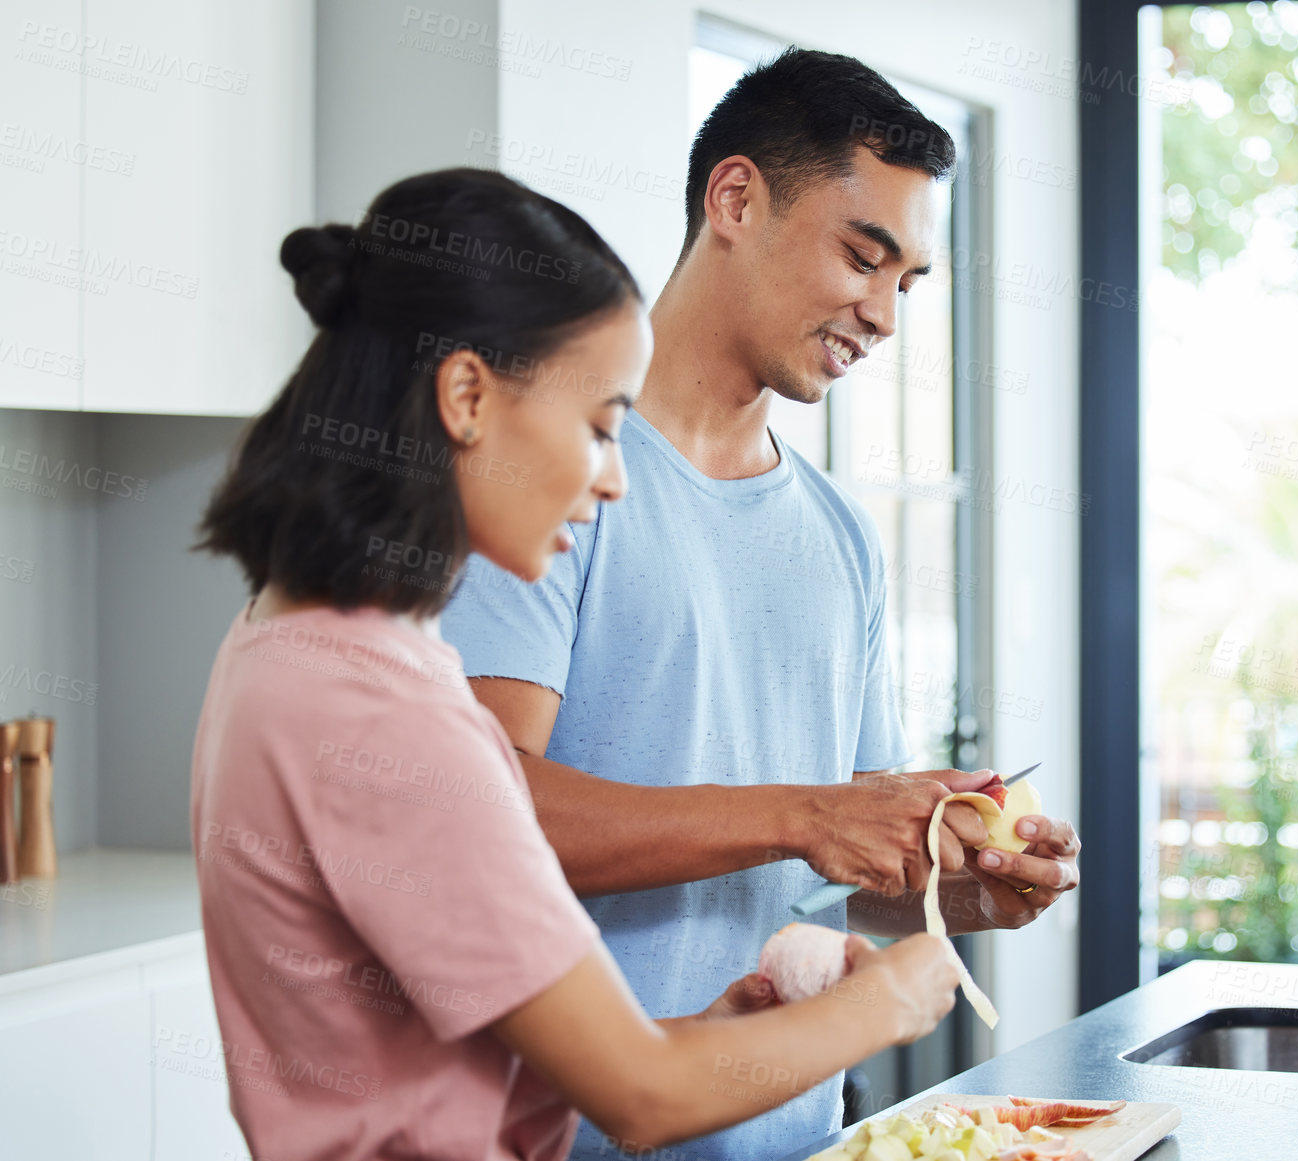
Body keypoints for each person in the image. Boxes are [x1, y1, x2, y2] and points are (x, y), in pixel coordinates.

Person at [190, 167, 960, 1161]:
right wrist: (891, 1001)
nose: (610, 479)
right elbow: (642, 1098)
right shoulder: (383, 709)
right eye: (599, 426)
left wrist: (725, 1035)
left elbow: (461, 1068)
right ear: (466, 394)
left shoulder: (286, 648)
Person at [440, 50, 1083, 1161]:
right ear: (734, 199)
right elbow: (486, 816)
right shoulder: (549, 482)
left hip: (798, 1139)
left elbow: (843, 873)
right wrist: (806, 812)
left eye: (907, 283)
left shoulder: (840, 540)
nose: (882, 314)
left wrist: (970, 890)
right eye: (861, 255)